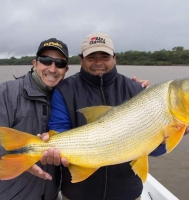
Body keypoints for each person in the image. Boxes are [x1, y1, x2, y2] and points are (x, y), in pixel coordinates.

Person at [45, 32, 167, 200]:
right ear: (81, 60)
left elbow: (156, 151)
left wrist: (166, 137)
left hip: (127, 193)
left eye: (104, 56)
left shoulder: (135, 90)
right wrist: (50, 149)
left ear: (114, 58)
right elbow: (58, 129)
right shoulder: (64, 90)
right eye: (91, 57)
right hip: (78, 194)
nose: (98, 63)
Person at [0, 38, 69, 200]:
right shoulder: (6, 92)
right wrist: (23, 161)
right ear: (35, 63)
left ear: (66, 69)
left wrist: (139, 89)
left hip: (50, 193)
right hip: (12, 193)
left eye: (59, 64)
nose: (52, 69)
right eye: (46, 61)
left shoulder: (67, 97)